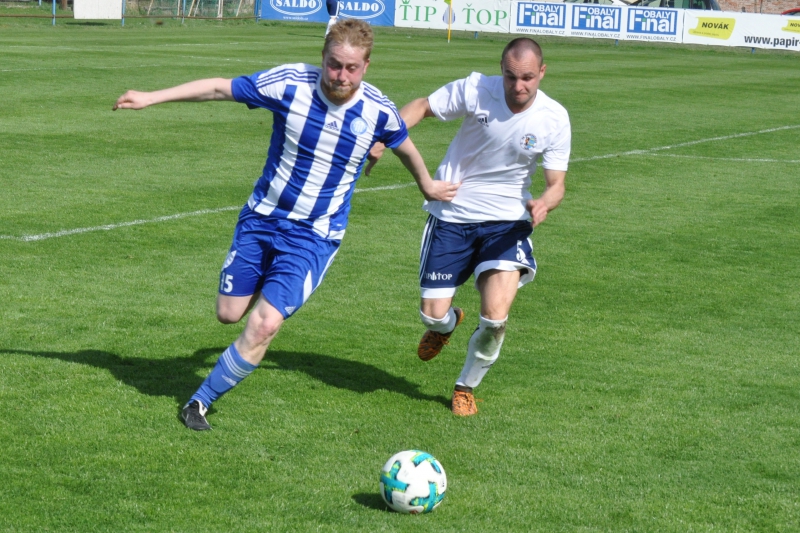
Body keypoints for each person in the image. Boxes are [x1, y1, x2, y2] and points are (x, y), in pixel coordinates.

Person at [113, 19, 458, 430]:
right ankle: (267, 288)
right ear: (322, 57)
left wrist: (427, 184)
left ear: (366, 66)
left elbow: (405, 146)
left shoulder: (378, 110)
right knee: (228, 313)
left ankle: (199, 402)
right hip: (261, 219)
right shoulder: (290, 84)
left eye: (351, 68)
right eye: (334, 65)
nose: (341, 76)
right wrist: (151, 97)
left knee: (265, 324)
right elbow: (220, 88)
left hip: (314, 236)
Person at [367, 37, 570, 416]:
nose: (519, 86)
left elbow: (557, 183)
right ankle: (446, 326)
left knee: (495, 318)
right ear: (501, 70)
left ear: (542, 72)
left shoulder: (554, 118)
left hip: (507, 223)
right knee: (432, 313)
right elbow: (422, 106)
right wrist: (383, 138)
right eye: (510, 76)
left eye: (527, 77)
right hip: (453, 214)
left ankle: (465, 386)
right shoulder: (476, 89)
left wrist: (545, 202)